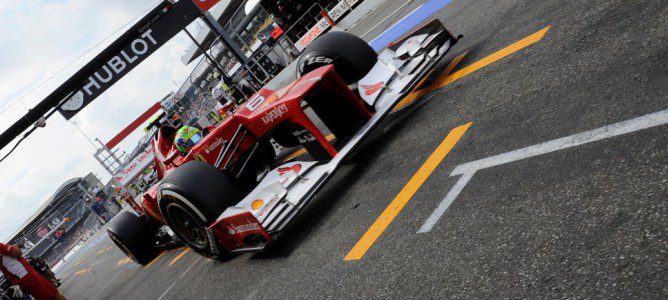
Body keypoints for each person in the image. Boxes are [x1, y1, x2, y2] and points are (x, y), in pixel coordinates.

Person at [0, 243, 65, 300]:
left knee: (54, 292)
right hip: (25, 275)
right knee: (49, 296)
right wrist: (15, 247)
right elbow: (17, 252)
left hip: (26, 274)